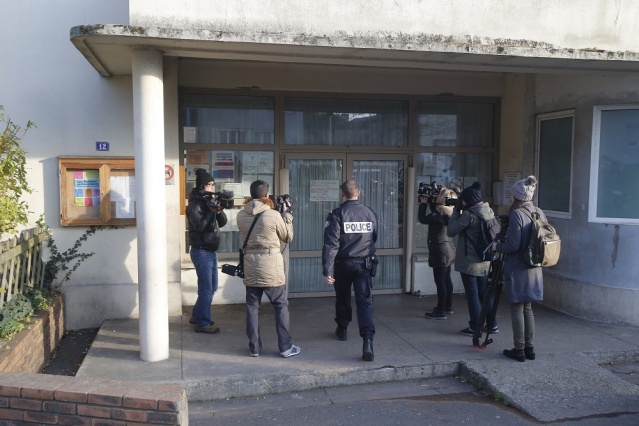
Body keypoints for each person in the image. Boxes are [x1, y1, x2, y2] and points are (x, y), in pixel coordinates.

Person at [236, 180, 300, 358]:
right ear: (266, 195)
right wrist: (287, 215)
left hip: (250, 263)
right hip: (270, 265)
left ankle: (254, 348)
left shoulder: (240, 215)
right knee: (280, 305)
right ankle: (285, 347)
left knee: (252, 306)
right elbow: (287, 237)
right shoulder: (273, 215)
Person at [322, 180, 378, 361]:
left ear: (343, 194)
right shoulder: (369, 213)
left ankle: (343, 329)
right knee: (365, 302)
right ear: (358, 193)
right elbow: (374, 237)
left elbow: (331, 244)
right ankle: (367, 341)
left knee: (343, 297)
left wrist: (327, 270)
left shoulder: (337, 214)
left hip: (343, 264)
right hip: (364, 265)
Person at [493, 175, 544, 362]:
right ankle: (529, 348)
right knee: (528, 308)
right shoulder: (538, 211)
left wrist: (496, 247)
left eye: (511, 195)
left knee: (517, 308)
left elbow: (513, 245)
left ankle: (519, 349)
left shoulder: (517, 214)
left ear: (516, 196)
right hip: (534, 267)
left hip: (518, 267)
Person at [447, 181, 498, 336]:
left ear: (467, 201)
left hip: (470, 261)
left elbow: (451, 230)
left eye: (463, 200)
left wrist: (456, 210)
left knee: (472, 295)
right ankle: (492, 324)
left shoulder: (469, 215)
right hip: (485, 260)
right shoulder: (488, 211)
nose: (461, 202)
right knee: (484, 293)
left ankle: (475, 326)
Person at [186, 168, 228, 334]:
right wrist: (210, 211)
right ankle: (202, 323)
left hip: (210, 251)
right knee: (206, 289)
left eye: (213, 184)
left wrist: (219, 209)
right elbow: (201, 226)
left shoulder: (208, 202)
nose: (212, 188)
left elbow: (222, 222)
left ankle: (197, 315)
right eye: (209, 185)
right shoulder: (194, 205)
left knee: (212, 287)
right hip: (201, 251)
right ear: (202, 186)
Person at [417, 187, 457, 320]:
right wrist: (430, 202)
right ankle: (448, 306)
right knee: (446, 279)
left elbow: (423, 219)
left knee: (440, 281)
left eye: (439, 195)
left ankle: (441, 311)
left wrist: (423, 204)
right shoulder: (451, 211)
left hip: (440, 250)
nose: (437, 196)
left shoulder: (440, 213)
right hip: (448, 248)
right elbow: (437, 210)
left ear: (444, 199)